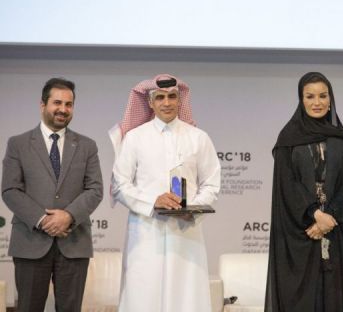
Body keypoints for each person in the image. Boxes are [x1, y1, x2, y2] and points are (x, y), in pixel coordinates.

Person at [110, 74, 221, 312]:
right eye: (160, 97)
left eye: (172, 96)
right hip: (146, 234)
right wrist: (153, 202)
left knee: (187, 298)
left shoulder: (199, 138)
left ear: (180, 100)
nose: (167, 102)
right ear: (150, 102)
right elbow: (120, 185)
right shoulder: (135, 138)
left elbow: (211, 184)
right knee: (143, 296)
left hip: (186, 234)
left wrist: (191, 208)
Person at [1, 77, 103, 311]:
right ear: (43, 105)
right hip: (30, 241)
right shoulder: (18, 144)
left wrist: (67, 216)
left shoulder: (87, 146)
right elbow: (10, 190)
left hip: (74, 242)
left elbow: (95, 189)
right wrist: (43, 220)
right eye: (57, 103)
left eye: (69, 104)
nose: (63, 109)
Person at [265, 72, 343, 312]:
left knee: (333, 295)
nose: (317, 102)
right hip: (298, 230)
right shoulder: (288, 139)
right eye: (310, 96)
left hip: (334, 228)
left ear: (330, 99)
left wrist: (329, 218)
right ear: (301, 100)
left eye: (323, 96)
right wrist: (315, 215)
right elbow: (287, 183)